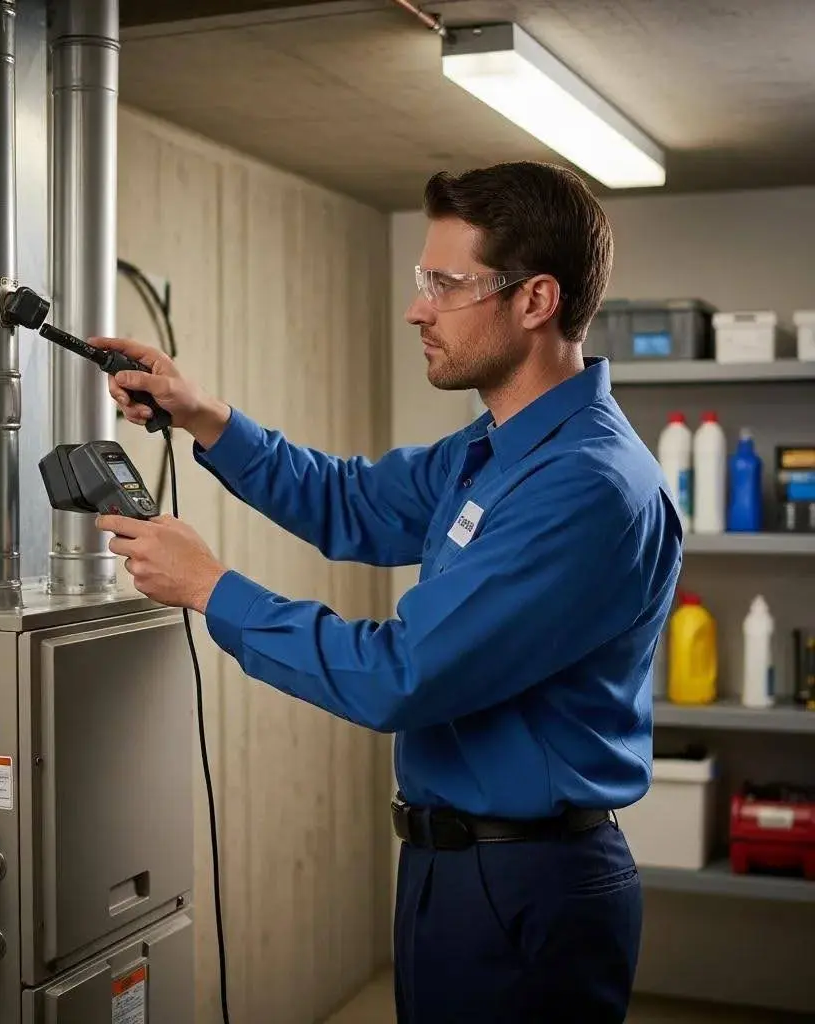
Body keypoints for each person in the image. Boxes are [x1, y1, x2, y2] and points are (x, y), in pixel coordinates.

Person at [91, 161, 683, 1023]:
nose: (418, 308)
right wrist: (203, 415)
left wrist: (212, 588)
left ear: (535, 300)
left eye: (447, 284)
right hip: (453, 867)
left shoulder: (585, 486)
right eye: (422, 280)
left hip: (531, 885)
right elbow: (353, 501)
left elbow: (402, 675)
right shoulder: (494, 449)